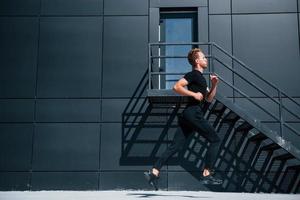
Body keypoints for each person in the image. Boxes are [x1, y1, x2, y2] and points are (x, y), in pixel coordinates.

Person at [144, 48, 223, 190]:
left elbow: (209, 99)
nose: (206, 59)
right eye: (203, 57)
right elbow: (176, 86)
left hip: (188, 115)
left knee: (175, 146)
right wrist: (193, 94)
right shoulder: (193, 74)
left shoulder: (201, 79)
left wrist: (214, 85)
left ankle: (154, 172)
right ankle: (206, 173)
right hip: (193, 113)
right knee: (215, 140)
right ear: (197, 61)